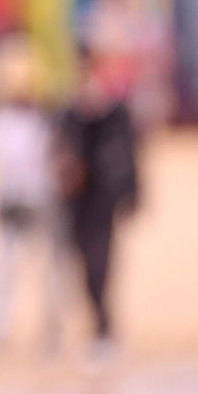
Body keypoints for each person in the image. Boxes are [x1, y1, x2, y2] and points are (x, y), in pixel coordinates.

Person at [0, 35, 61, 353]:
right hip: (13, 199)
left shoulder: (45, 121)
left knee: (48, 268)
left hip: (39, 198)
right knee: (4, 264)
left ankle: (51, 330)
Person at [57, 48, 140, 364]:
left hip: (104, 202)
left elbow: (129, 156)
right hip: (77, 204)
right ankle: (98, 329)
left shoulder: (114, 112)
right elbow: (60, 151)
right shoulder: (71, 113)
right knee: (83, 268)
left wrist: (131, 195)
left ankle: (105, 331)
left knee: (100, 266)